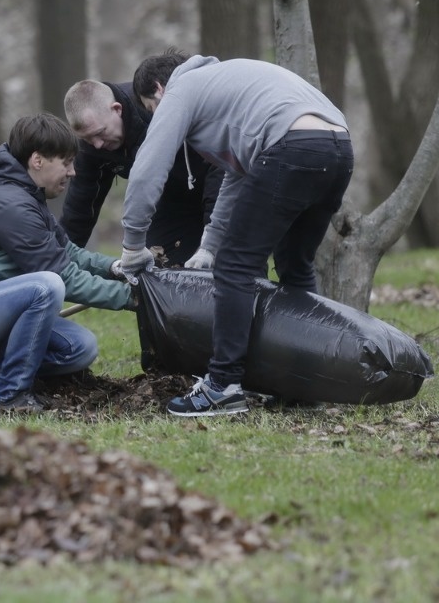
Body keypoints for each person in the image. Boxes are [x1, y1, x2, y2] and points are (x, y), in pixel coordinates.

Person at [119, 50, 353, 417]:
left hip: (292, 146)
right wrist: (209, 245)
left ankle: (222, 386)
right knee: (295, 265)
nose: (156, 116)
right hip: (337, 147)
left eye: (151, 109)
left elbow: (148, 170)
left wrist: (133, 245)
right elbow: (237, 172)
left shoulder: (183, 89)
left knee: (235, 268)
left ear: (159, 90)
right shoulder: (227, 84)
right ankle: (306, 384)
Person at [0, 112, 135, 414]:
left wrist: (115, 268)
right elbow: (62, 273)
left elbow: (68, 252)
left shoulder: (23, 192)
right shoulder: (10, 204)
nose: (73, 172)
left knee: (79, 348)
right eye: (65, 162)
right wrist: (131, 298)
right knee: (45, 285)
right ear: (38, 160)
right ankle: (10, 396)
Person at [62, 79, 223, 266]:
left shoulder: (154, 106)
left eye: (100, 133)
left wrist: (212, 235)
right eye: (87, 138)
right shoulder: (92, 146)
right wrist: (58, 261)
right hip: (173, 198)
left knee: (230, 264)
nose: (97, 144)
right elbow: (80, 207)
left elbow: (220, 164)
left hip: (219, 182)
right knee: (156, 268)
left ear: (117, 109)